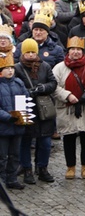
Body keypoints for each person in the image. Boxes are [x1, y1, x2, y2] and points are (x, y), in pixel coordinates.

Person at [52, 37, 85, 180]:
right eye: (72, 49)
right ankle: (70, 167)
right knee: (69, 137)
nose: (75, 52)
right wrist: (67, 95)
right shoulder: (59, 67)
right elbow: (54, 86)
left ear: (83, 51)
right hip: (67, 107)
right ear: (68, 51)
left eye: (78, 50)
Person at [15, 39, 58, 184]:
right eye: (28, 52)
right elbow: (14, 87)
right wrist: (28, 92)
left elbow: (53, 83)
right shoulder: (17, 68)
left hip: (43, 108)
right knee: (25, 141)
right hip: (25, 107)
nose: (31, 55)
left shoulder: (44, 66)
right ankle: (27, 169)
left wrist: (43, 88)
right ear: (23, 53)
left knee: (45, 142)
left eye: (33, 52)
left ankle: (42, 168)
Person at [0, 52, 30, 190]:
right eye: (7, 68)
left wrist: (25, 114)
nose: (10, 70)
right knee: (2, 156)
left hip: (18, 126)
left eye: (12, 68)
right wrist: (8, 117)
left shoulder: (18, 83)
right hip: (3, 127)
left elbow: (26, 99)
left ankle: (12, 179)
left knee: (15, 155)